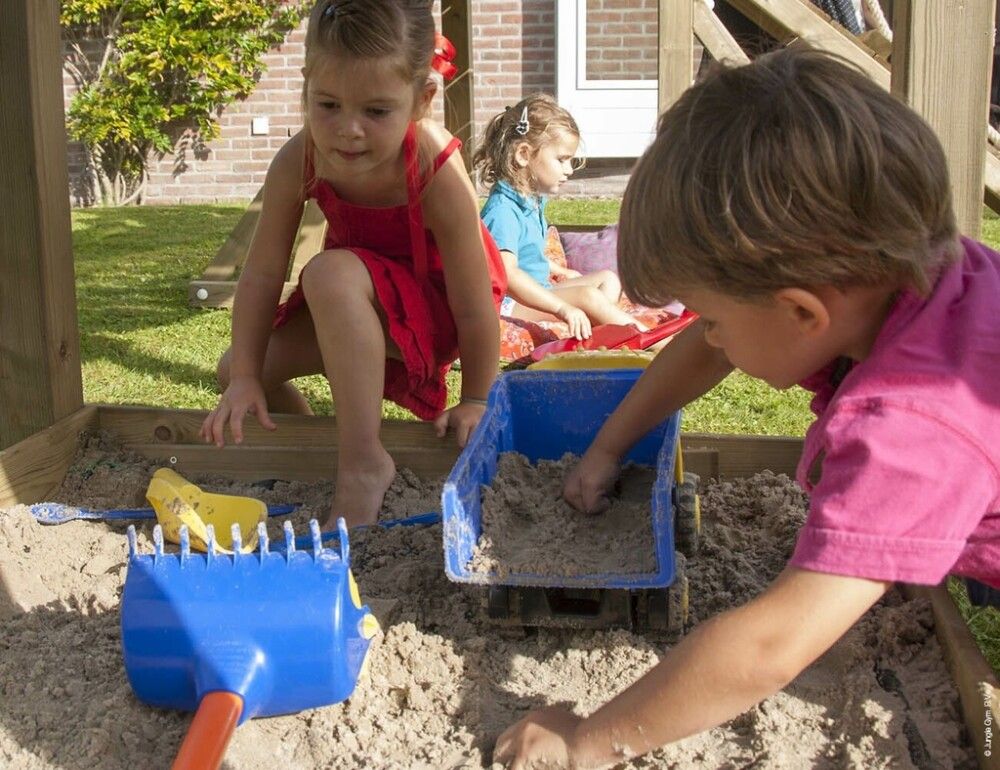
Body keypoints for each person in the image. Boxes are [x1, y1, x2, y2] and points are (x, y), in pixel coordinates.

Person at [495, 46, 1000, 769]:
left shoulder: (915, 427)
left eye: (712, 313)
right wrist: (609, 446)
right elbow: (711, 350)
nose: (711, 335)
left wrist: (587, 739)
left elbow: (771, 646)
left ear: (801, 313)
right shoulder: (904, 281)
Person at [200, 0, 506, 530]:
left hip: (436, 312)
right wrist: (249, 376)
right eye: (328, 105)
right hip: (351, 300)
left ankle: (364, 461)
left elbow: (474, 304)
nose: (349, 129)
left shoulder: (434, 168)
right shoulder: (298, 159)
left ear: (422, 100)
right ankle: (321, 444)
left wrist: (477, 396)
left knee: (330, 272)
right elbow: (261, 274)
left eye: (376, 111)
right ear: (305, 90)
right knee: (235, 368)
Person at [474, 94, 644, 341]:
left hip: (538, 290)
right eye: (562, 159)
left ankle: (598, 331)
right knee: (587, 297)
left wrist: (557, 270)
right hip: (508, 305)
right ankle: (648, 338)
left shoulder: (530, 200)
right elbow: (507, 275)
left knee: (607, 279)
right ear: (523, 155)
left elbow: (527, 253)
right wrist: (563, 308)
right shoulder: (503, 211)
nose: (569, 169)